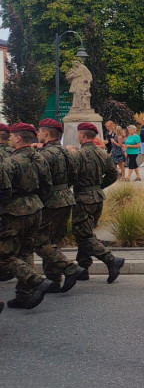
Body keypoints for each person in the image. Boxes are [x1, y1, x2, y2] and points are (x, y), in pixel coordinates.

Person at [0, 123, 56, 309]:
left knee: (5, 254)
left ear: (17, 138)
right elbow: (48, 185)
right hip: (36, 207)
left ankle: (35, 280)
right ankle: (24, 294)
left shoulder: (10, 162)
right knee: (26, 251)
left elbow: (5, 189)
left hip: (15, 211)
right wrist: (37, 201)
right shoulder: (40, 159)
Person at [31, 119, 88, 291]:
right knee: (54, 241)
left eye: (40, 132)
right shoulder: (67, 152)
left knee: (40, 242)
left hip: (50, 201)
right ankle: (54, 279)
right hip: (66, 198)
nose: (38, 135)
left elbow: (40, 181)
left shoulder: (44, 155)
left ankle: (70, 268)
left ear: (46, 133)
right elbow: (75, 175)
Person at [70, 122, 124, 282]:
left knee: (83, 234)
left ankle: (110, 259)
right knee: (85, 233)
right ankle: (83, 268)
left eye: (79, 133)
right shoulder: (103, 154)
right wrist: (99, 186)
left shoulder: (79, 155)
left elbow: (71, 177)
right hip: (97, 197)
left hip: (82, 199)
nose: (78, 136)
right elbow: (114, 174)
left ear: (83, 135)